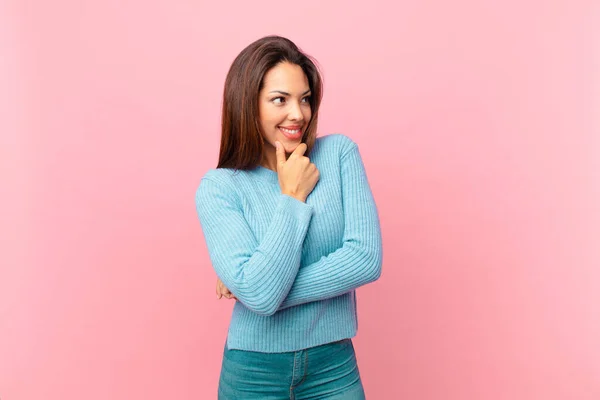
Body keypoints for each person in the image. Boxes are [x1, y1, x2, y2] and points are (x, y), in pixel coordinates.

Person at [195, 35, 383, 399]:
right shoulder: (219, 187)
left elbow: (365, 259)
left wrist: (255, 288)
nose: (298, 113)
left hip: (334, 368)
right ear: (247, 105)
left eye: (305, 99)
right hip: (252, 375)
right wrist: (292, 197)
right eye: (280, 100)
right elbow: (261, 294)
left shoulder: (339, 154)